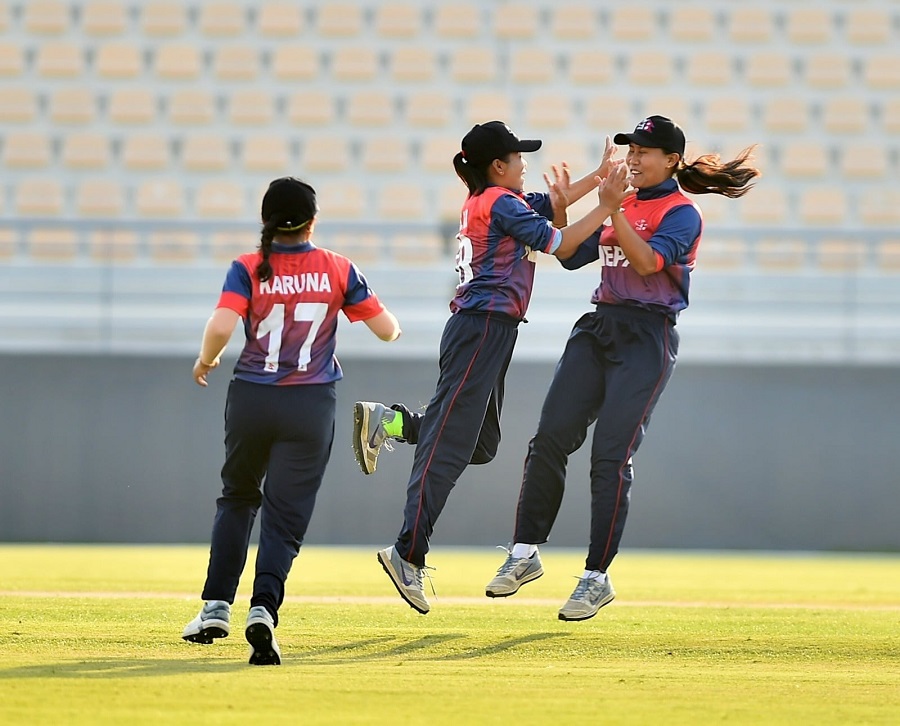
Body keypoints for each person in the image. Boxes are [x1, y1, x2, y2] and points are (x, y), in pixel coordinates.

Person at [483, 115, 761, 621]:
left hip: (646, 337)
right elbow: (568, 256)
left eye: (644, 151)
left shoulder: (682, 212)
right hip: (598, 327)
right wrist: (577, 205)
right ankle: (524, 552)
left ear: (672, 160)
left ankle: (596, 576)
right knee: (549, 437)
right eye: (630, 149)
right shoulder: (622, 202)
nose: (633, 157)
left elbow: (649, 264)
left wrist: (615, 211)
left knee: (609, 457)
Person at [356, 120, 629, 615]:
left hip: (488, 331)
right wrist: (607, 204)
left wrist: (597, 180)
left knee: (479, 444)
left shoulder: (492, 202)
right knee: (446, 444)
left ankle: (391, 422)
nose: (526, 164)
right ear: (498, 166)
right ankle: (406, 553)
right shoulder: (501, 203)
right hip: (481, 328)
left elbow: (550, 210)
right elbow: (564, 244)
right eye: (518, 157)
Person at [181, 177, 401, 664]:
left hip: (252, 400)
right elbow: (387, 331)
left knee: (238, 498)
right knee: (284, 517)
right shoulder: (337, 268)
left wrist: (205, 360)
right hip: (311, 403)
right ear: (312, 220)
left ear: (265, 222)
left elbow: (221, 324)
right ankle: (263, 609)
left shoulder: (247, 266)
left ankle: (216, 606)